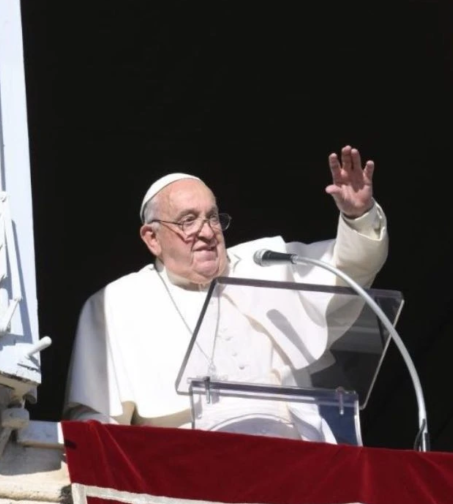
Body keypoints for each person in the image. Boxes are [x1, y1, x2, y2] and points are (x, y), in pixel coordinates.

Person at [63, 146, 389, 441]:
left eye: (212, 218)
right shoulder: (117, 303)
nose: (207, 233)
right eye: (188, 221)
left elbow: (348, 270)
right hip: (188, 466)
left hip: (297, 451)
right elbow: (95, 420)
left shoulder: (265, 262)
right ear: (152, 238)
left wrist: (358, 217)